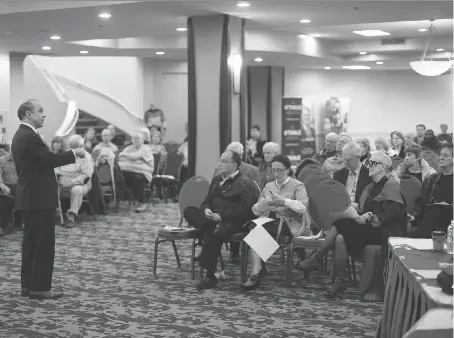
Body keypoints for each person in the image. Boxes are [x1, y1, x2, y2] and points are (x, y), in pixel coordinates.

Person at [299, 151, 406, 299]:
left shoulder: (390, 185)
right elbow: (363, 209)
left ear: (382, 167)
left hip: (385, 231)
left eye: (372, 163)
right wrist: (349, 211)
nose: (368, 166)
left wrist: (370, 217)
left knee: (341, 224)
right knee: (340, 237)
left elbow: (392, 213)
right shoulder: (370, 187)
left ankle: (317, 257)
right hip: (369, 229)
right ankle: (339, 280)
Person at [11, 99, 86, 300]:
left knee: (31, 244)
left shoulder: (21, 135)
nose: (44, 115)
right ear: (28, 114)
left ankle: (28, 286)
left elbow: (42, 161)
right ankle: (40, 288)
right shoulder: (29, 136)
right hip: (38, 198)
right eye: (40, 111)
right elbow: (50, 160)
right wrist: (73, 153)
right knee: (43, 244)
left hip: (30, 197)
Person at [183, 150, 257, 290]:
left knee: (214, 231)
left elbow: (242, 210)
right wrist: (206, 210)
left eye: (224, 161)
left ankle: (211, 276)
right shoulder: (217, 179)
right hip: (212, 217)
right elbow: (206, 201)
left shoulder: (243, 183)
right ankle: (208, 223)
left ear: (234, 165)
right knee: (189, 211)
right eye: (220, 161)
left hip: (233, 221)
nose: (220, 164)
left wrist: (221, 216)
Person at [242, 154, 311, 291]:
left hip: (289, 224)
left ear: (287, 170)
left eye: (279, 170)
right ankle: (256, 272)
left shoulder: (297, 185)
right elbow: (255, 211)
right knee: (256, 228)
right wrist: (264, 204)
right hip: (269, 222)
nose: (276, 173)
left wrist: (283, 201)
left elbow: (303, 207)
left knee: (254, 230)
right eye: (273, 170)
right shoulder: (268, 186)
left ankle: (256, 272)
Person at [408, 144, 453, 238]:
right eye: (440, 155)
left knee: (437, 209)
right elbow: (421, 202)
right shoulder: (431, 179)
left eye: (446, 155)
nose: (441, 158)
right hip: (431, 221)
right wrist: (414, 217)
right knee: (434, 210)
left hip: (449, 222)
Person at [55, 135, 94, 227]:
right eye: (72, 146)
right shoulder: (65, 155)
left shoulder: (86, 157)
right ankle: (54, 214)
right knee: (50, 188)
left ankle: (71, 216)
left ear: (81, 146)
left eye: (76, 147)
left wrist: (72, 182)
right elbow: (57, 169)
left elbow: (86, 175)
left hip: (81, 184)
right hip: (63, 182)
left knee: (76, 190)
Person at [118, 131, 154, 213]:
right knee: (118, 174)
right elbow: (120, 158)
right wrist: (130, 159)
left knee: (137, 178)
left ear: (143, 140)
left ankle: (142, 202)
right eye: (134, 138)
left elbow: (134, 157)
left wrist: (126, 157)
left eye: (137, 138)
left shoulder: (146, 148)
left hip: (145, 174)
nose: (135, 140)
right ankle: (114, 200)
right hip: (130, 172)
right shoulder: (129, 148)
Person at [0, 145, 22, 236]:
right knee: (8, 197)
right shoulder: (2, 160)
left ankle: (17, 222)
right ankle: (5, 225)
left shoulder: (22, 161)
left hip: (19, 186)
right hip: (5, 186)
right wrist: (1, 184)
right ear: (9, 151)